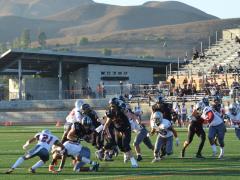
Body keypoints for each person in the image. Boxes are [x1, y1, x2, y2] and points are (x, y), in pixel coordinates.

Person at [103, 98, 138, 168]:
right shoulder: (111, 112)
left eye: (113, 105)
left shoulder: (122, 109)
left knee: (125, 144)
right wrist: (104, 129)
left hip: (126, 129)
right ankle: (126, 155)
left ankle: (134, 162)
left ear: (116, 104)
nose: (111, 106)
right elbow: (107, 123)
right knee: (121, 147)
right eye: (111, 105)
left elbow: (127, 113)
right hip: (118, 130)